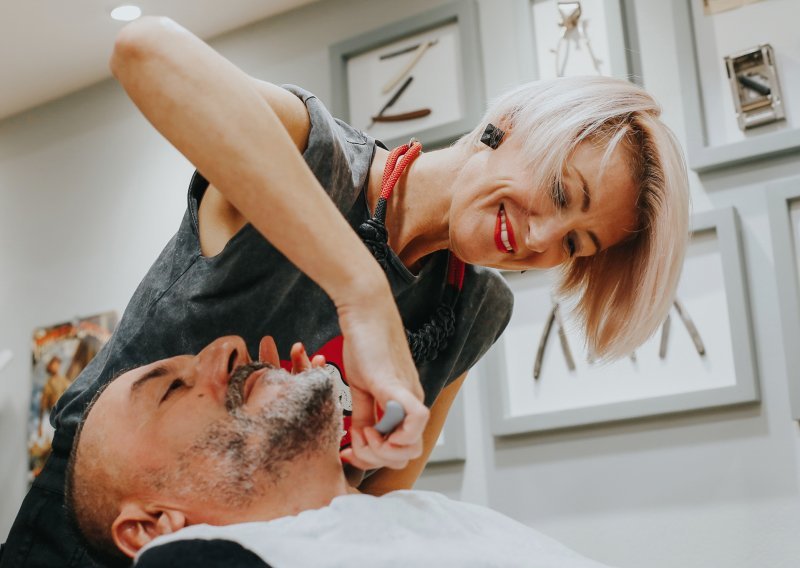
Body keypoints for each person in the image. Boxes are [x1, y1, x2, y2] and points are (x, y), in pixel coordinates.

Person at [0, 16, 689, 568]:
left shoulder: (476, 309)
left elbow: (375, 504)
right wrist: (363, 294)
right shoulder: (318, 157)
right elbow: (144, 51)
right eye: (564, 194)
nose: (544, 239)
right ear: (510, 129)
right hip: (87, 528)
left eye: (576, 244)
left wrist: (366, 456)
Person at [65, 336, 616, 568]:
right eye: (173, 389)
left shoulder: (436, 520)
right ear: (152, 527)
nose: (230, 345)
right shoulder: (192, 561)